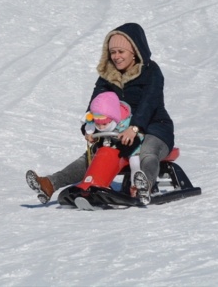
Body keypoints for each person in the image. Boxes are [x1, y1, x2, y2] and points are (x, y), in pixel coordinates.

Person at [26, 23, 174, 205]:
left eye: (121, 52)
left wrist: (135, 128)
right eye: (113, 52)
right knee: (93, 156)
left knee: (147, 152)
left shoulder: (151, 72)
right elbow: (95, 104)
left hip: (154, 128)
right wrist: (88, 129)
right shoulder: (107, 76)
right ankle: (50, 183)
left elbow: (149, 103)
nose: (116, 57)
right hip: (117, 131)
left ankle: (144, 186)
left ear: (134, 51)